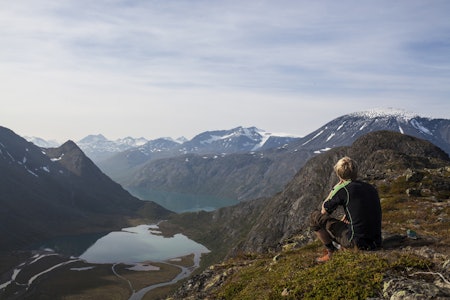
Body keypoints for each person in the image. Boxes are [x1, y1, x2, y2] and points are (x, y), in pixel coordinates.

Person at [310, 156, 382, 262]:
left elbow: (324, 211)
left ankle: (331, 251)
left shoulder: (344, 190)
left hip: (357, 243)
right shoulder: (370, 188)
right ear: (356, 172)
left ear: (339, 174)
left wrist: (334, 189)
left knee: (314, 217)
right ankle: (342, 246)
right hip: (376, 242)